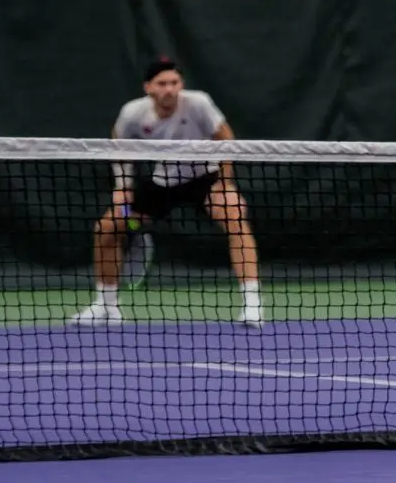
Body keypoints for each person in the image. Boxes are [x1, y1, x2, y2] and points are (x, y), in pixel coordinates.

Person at [70, 57, 263, 327]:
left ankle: (252, 305)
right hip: (163, 184)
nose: (169, 89)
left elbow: (225, 137)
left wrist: (225, 182)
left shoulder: (199, 103)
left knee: (235, 216)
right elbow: (119, 145)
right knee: (108, 227)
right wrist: (122, 187)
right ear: (148, 87)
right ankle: (106, 306)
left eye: (174, 82)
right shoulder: (133, 113)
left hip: (205, 179)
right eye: (162, 84)